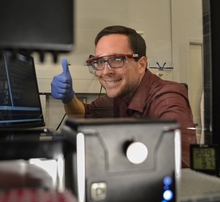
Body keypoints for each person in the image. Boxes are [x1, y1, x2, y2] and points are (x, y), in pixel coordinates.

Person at [51, 25, 197, 167]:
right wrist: (68, 97)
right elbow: (83, 113)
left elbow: (177, 165)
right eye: (100, 61)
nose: (105, 71)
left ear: (141, 65)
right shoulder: (120, 96)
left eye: (118, 59)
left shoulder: (167, 97)